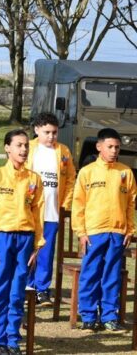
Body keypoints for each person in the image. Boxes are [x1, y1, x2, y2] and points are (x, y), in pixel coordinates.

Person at [0, 129, 44, 355]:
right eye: (19, 145)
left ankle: (12, 340)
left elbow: (38, 214)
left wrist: (37, 245)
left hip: (25, 240)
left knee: (17, 292)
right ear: (7, 148)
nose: (24, 149)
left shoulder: (34, 179)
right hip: (1, 239)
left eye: (26, 145)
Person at [72, 127, 135, 332]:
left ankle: (109, 316)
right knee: (91, 274)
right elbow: (78, 205)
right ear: (99, 147)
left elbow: (130, 205)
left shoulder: (125, 173)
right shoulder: (87, 172)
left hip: (117, 233)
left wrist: (129, 230)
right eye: (110, 146)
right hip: (93, 233)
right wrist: (81, 232)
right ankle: (89, 316)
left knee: (111, 275)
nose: (114, 151)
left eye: (117, 147)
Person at [25, 112, 75, 306]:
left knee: (46, 252)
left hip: (52, 213)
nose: (51, 136)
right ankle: (27, 285)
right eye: (47, 132)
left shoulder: (63, 151)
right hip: (30, 211)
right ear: (37, 130)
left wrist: (65, 204)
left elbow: (70, 178)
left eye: (54, 132)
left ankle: (42, 289)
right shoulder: (28, 149)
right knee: (28, 250)